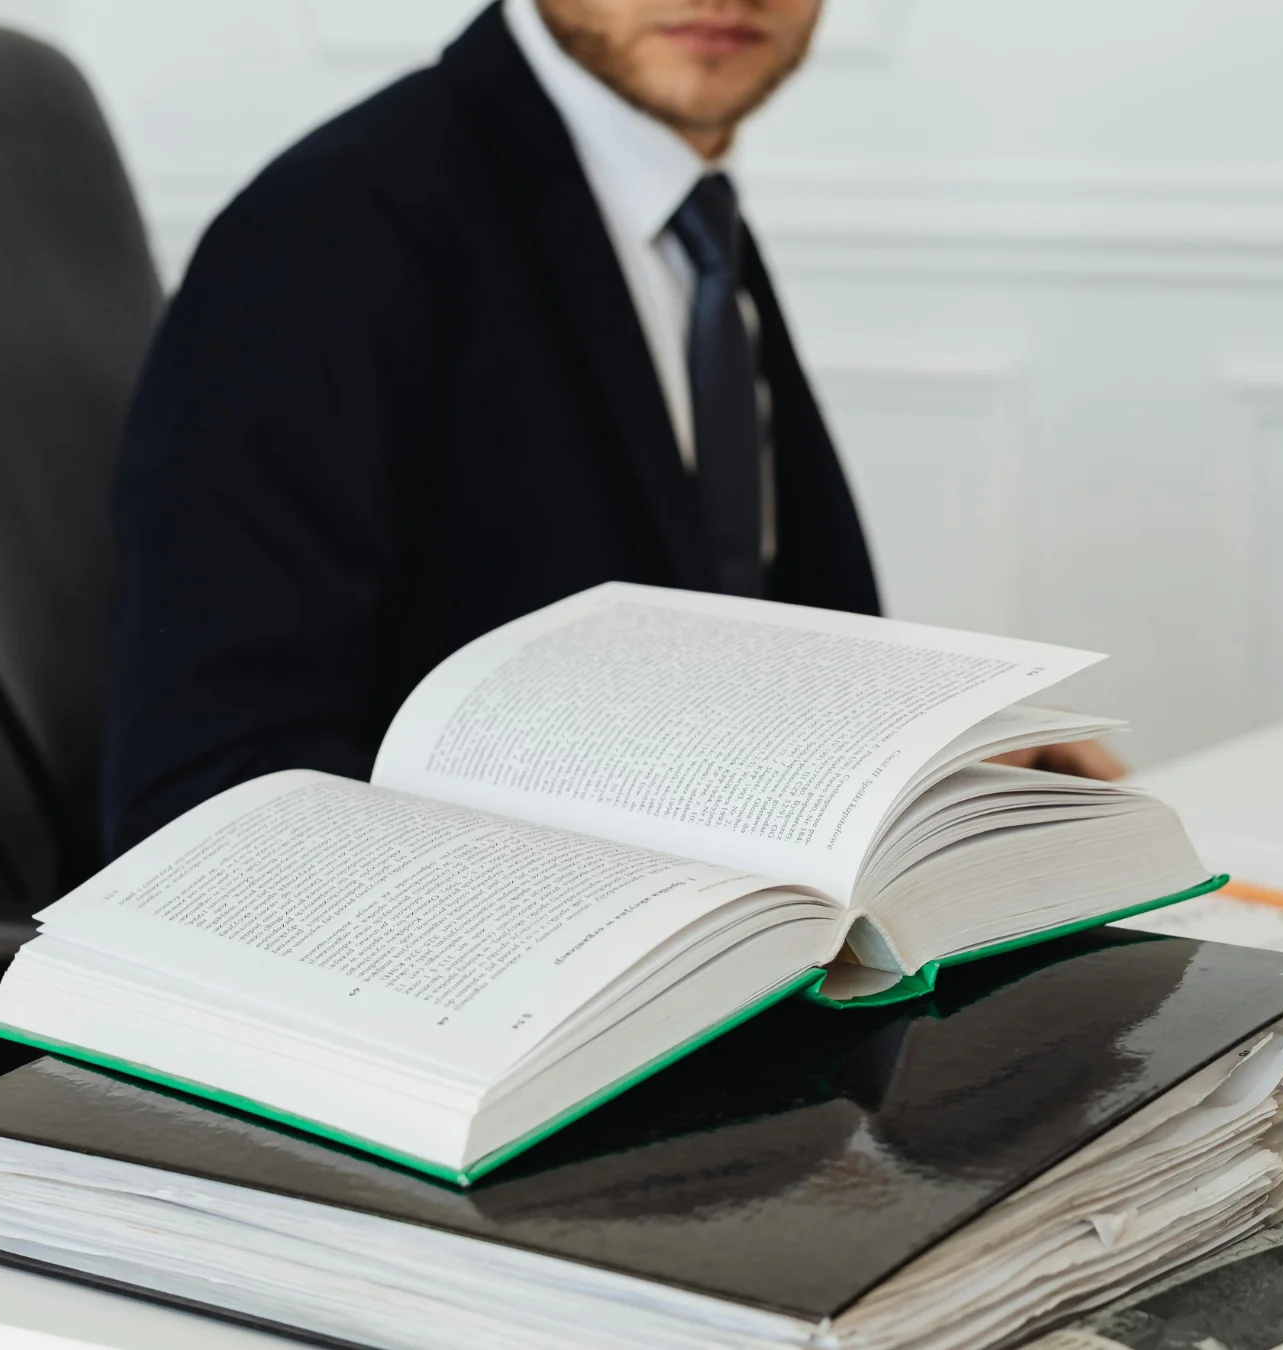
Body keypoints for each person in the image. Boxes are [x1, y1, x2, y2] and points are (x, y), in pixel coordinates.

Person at [103, 0, 1117, 856]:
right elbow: (211, 796)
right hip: (448, 1013)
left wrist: (922, 766)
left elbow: (723, 651)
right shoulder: (331, 233)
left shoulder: (685, 220)